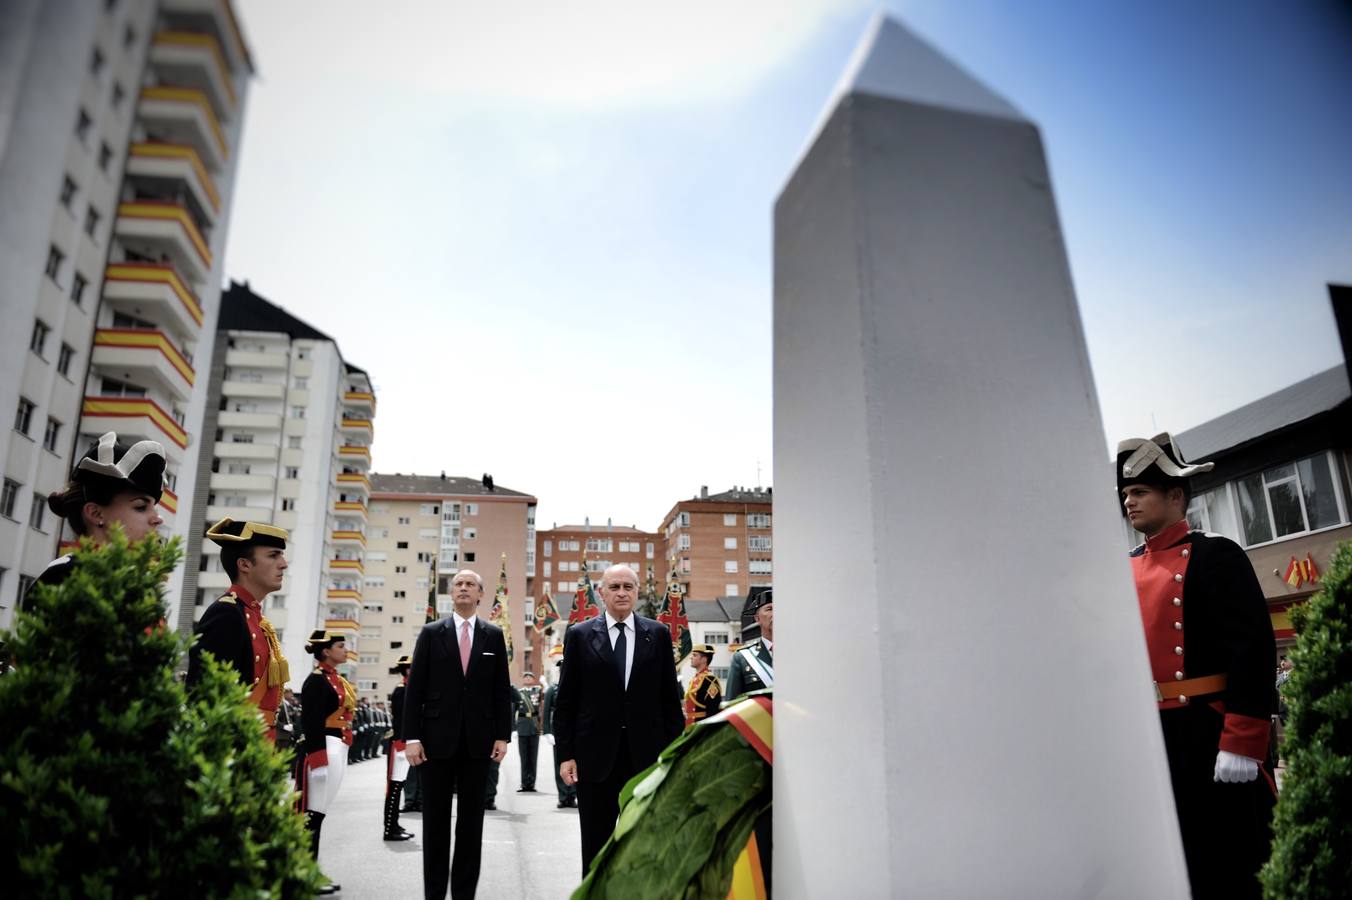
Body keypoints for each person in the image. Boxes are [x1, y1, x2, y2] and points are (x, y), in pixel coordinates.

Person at [1118, 433, 1276, 899]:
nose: (1130, 502)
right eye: (1126, 494)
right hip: (1154, 737)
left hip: (1208, 732)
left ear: (1175, 495)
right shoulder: (1121, 566)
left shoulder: (1215, 554)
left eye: (1140, 492)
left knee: (1228, 862)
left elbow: (1252, 647)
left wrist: (1243, 740)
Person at [553, 564, 684, 875]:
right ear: (602, 593)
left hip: (646, 761)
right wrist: (566, 755)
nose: (622, 592)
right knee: (596, 850)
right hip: (594, 760)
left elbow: (669, 702)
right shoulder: (580, 636)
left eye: (628, 586)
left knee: (642, 847)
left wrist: (672, 756)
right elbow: (567, 703)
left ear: (637, 592)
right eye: (614, 587)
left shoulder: (659, 634)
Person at [402, 570, 512, 900]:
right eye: (458, 585)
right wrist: (411, 737)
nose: (463, 588)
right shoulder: (432, 632)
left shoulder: (493, 635)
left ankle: (464, 893)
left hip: (478, 742)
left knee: (470, 823)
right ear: (452, 593)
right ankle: (434, 893)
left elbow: (500, 690)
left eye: (470, 585)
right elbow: (416, 688)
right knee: (435, 822)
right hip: (435, 741)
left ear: (481, 594)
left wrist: (502, 735)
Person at [187, 518, 291, 743]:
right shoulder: (226, 614)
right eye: (273, 555)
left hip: (259, 744)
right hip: (236, 746)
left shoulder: (256, 618)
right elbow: (204, 696)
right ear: (244, 565)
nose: (283, 563)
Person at [31, 432, 166, 605]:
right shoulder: (64, 576)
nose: (158, 519)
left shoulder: (139, 584)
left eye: (153, 507)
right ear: (95, 513)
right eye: (141, 507)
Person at [296, 629, 356, 896]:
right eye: (341, 646)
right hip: (325, 748)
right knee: (313, 815)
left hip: (338, 746)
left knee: (319, 814)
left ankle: (310, 869)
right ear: (326, 651)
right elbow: (310, 722)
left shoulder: (336, 679)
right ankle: (305, 873)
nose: (345, 650)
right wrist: (317, 758)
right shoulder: (316, 681)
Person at [384, 655, 415, 841]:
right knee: (394, 788)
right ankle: (390, 829)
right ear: (408, 670)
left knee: (399, 785)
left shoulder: (409, 689)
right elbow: (402, 721)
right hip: (400, 744)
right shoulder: (402, 690)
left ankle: (394, 824)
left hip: (403, 743)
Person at [541, 656, 577, 808]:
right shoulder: (553, 689)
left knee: (576, 764)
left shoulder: (577, 686)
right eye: (561, 668)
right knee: (560, 765)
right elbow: (546, 710)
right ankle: (563, 796)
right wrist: (548, 732)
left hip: (576, 732)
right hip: (559, 734)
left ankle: (572, 796)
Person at [725, 592, 774, 704]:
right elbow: (731, 706)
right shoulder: (742, 658)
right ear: (757, 618)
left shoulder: (800, 654)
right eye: (769, 609)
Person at [514, 672, 542, 793]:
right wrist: (513, 729)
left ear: (534, 679)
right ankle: (524, 783)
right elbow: (512, 710)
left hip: (534, 727)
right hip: (522, 727)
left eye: (530, 676)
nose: (528, 678)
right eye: (526, 676)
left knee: (533, 757)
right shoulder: (519, 693)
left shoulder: (538, 691)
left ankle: (532, 784)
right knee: (524, 758)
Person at [683, 643, 723, 727]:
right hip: (690, 725)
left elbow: (713, 709)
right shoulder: (695, 679)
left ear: (704, 659)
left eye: (694, 655)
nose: (691, 657)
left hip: (700, 726)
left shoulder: (710, 680)